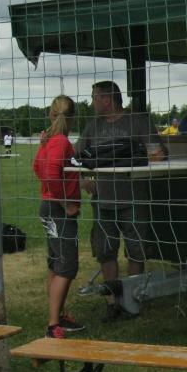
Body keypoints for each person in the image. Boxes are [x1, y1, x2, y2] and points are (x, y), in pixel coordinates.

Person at [73, 81, 162, 322]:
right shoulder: (93, 126)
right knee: (105, 252)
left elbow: (158, 153)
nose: (92, 102)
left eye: (94, 97)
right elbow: (76, 156)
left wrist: (136, 159)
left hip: (133, 198)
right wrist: (84, 177)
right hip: (102, 201)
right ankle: (112, 302)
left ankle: (132, 301)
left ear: (107, 100)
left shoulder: (138, 122)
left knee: (136, 251)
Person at [32, 95, 85, 338]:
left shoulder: (49, 140)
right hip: (57, 210)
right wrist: (66, 203)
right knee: (67, 264)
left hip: (49, 207)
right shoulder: (60, 141)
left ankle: (58, 316)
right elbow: (51, 174)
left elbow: (37, 168)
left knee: (56, 262)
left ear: (51, 114)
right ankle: (54, 326)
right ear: (72, 117)